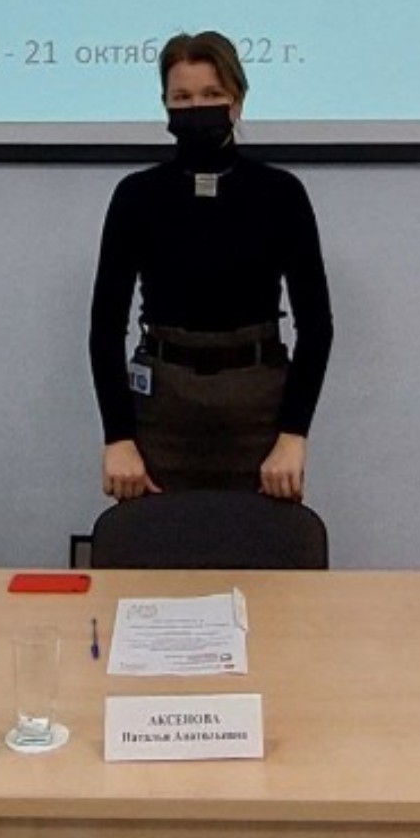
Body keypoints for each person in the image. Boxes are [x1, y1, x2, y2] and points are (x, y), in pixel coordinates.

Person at [89, 30, 333, 501]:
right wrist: (118, 437)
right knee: (159, 544)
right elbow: (105, 327)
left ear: (236, 102)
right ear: (165, 105)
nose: (196, 106)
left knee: (258, 545)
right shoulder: (137, 196)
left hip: (257, 409)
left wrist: (294, 435)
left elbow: (317, 326)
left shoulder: (280, 194)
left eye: (211, 94)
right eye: (182, 97)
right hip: (162, 407)